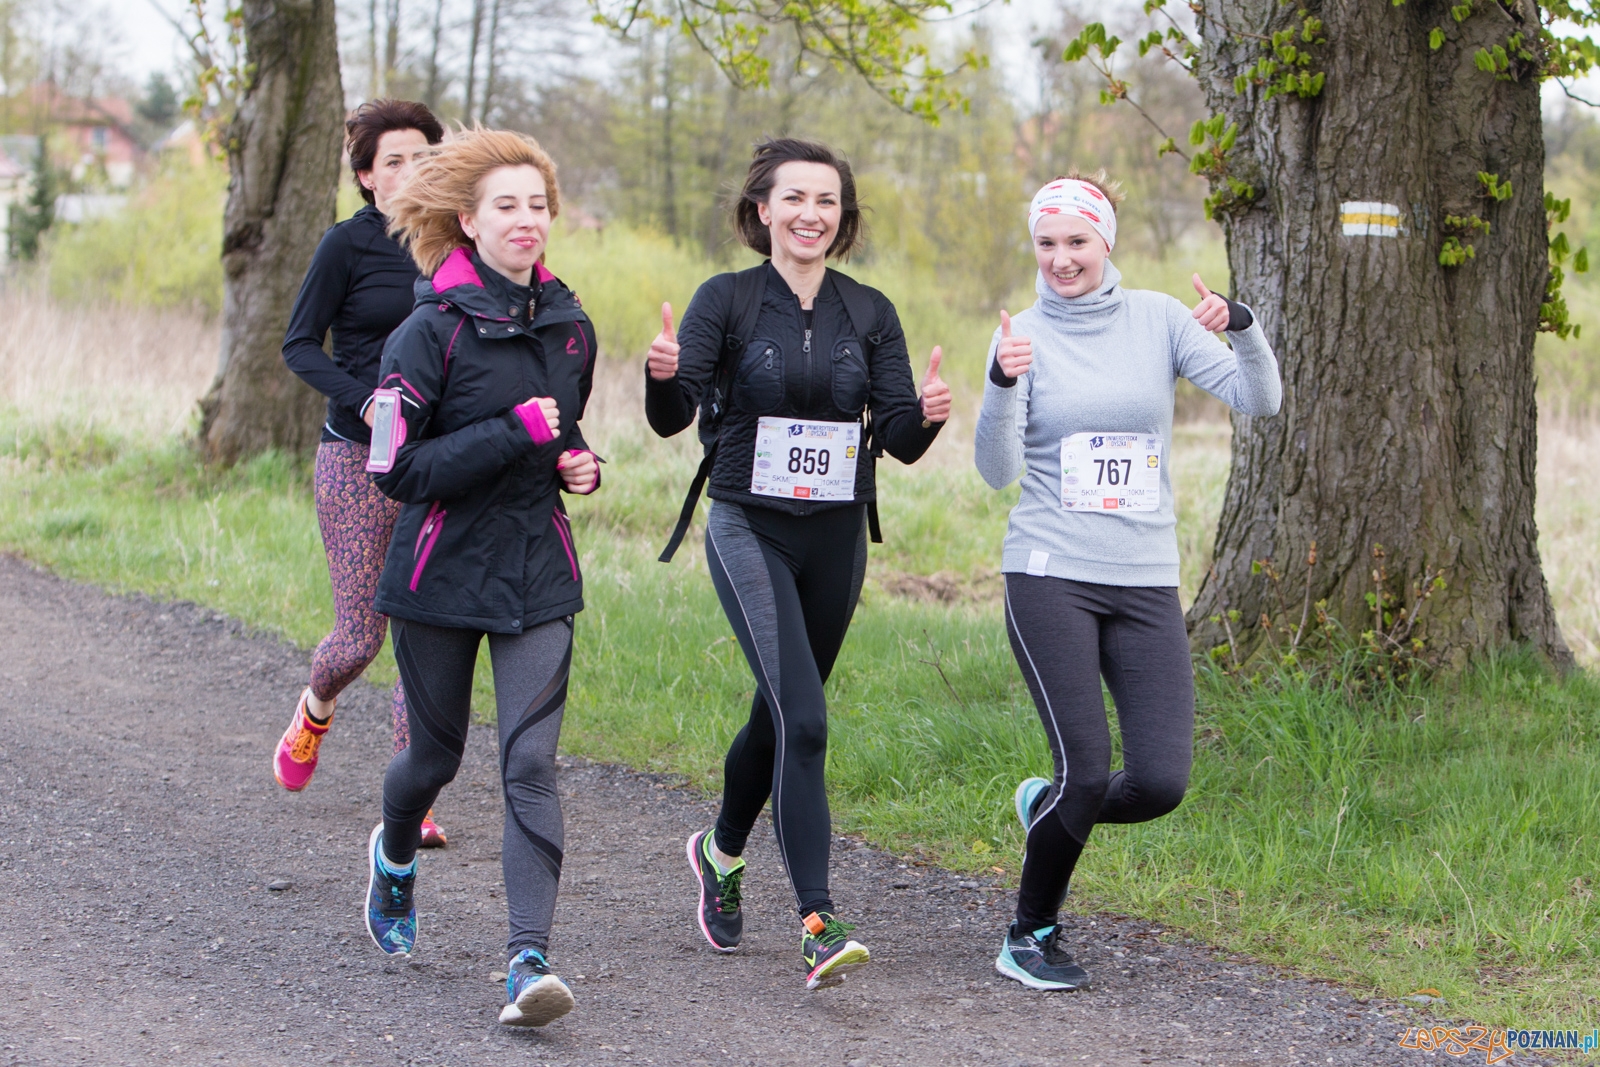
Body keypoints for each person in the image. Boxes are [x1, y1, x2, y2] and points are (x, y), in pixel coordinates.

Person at [645, 137, 952, 991]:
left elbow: (895, 438)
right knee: (807, 720)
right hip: (749, 525)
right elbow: (674, 418)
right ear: (761, 211)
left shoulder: (870, 310)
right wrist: (663, 375)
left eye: (827, 200)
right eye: (794, 198)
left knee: (783, 711)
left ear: (842, 217)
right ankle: (818, 920)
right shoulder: (729, 300)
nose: (811, 214)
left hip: (836, 536)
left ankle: (719, 850)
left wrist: (924, 415)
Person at [974, 172, 1281, 991]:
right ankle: (1029, 932)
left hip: (1145, 579)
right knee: (1085, 766)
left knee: (1158, 782)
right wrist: (1001, 384)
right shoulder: (1022, 334)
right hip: (1048, 572)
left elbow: (1260, 395)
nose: (1062, 258)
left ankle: (1049, 810)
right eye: (1047, 243)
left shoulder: (1158, 318)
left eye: (1077, 241)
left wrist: (1241, 325)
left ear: (1107, 240)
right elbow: (995, 470)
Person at [361, 127, 601, 1030]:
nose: (527, 220)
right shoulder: (428, 332)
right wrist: (518, 433)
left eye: (538, 205)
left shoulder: (572, 327)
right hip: (440, 570)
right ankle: (392, 855)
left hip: (539, 569)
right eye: (507, 205)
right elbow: (395, 470)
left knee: (531, 761)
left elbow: (564, 432)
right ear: (468, 221)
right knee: (436, 756)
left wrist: (578, 462)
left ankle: (526, 961)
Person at [275, 99, 447, 848]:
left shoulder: (457, 243)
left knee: (422, 626)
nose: (411, 170)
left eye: (424, 157)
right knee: (361, 637)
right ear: (368, 176)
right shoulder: (345, 246)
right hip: (355, 457)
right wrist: (368, 403)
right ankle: (315, 705)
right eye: (395, 160)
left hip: (437, 461)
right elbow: (298, 345)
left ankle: (414, 798)